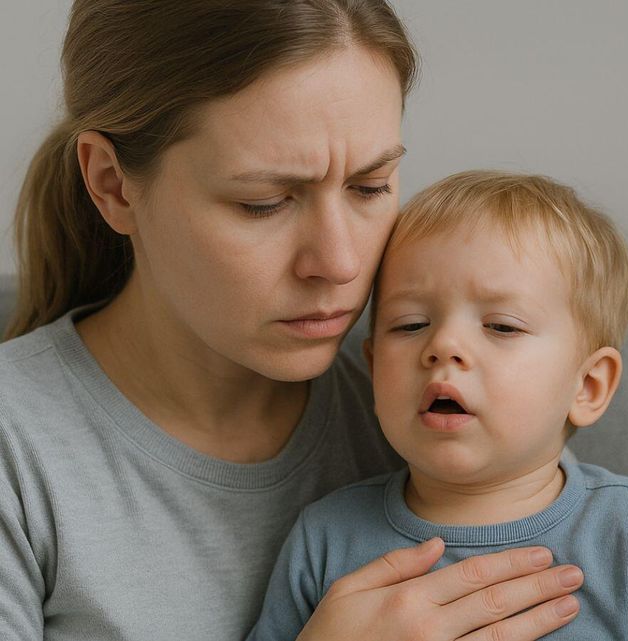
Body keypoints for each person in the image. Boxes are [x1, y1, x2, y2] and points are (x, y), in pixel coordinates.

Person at [0, 2, 585, 640]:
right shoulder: (19, 448)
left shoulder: (434, 419)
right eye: (264, 203)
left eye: (370, 187)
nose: (338, 263)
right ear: (113, 185)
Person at [245, 170, 628, 640]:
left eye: (501, 326)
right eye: (411, 324)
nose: (443, 346)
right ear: (374, 369)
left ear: (588, 386)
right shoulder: (325, 538)